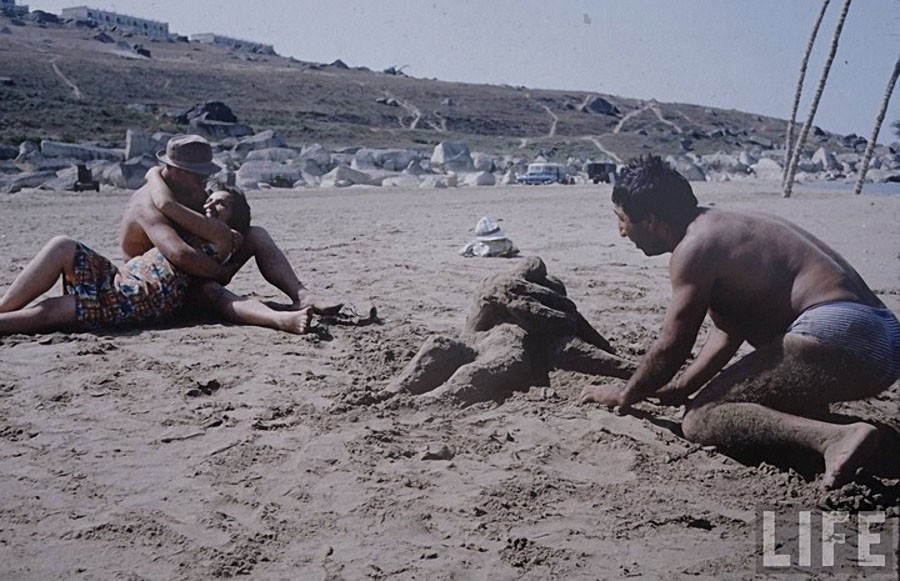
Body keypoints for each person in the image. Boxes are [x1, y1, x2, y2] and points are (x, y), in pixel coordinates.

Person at [579, 155, 900, 489]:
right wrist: (682, 386)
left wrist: (625, 394)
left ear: (651, 220)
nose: (620, 232)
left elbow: (672, 346)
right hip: (883, 338)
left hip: (839, 331)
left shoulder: (693, 247)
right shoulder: (719, 226)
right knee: (760, 401)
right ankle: (877, 444)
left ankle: (836, 438)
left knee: (702, 418)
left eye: (622, 220)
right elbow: (727, 332)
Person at [0, 187, 313, 335]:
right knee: (61, 245)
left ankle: (283, 316)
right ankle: (3, 307)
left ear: (235, 222)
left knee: (49, 312)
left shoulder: (223, 236)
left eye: (221, 204)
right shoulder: (195, 230)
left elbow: (165, 201)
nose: (210, 205)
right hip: (116, 278)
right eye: (210, 199)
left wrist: (155, 171)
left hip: (128, 300)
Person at [120, 134, 339, 314]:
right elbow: (179, 254)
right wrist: (220, 273)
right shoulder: (147, 202)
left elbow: (225, 202)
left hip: (196, 268)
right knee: (211, 291)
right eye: (198, 175)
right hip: (160, 283)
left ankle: (302, 296)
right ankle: (270, 315)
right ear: (176, 169)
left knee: (257, 235)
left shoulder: (190, 188)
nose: (203, 181)